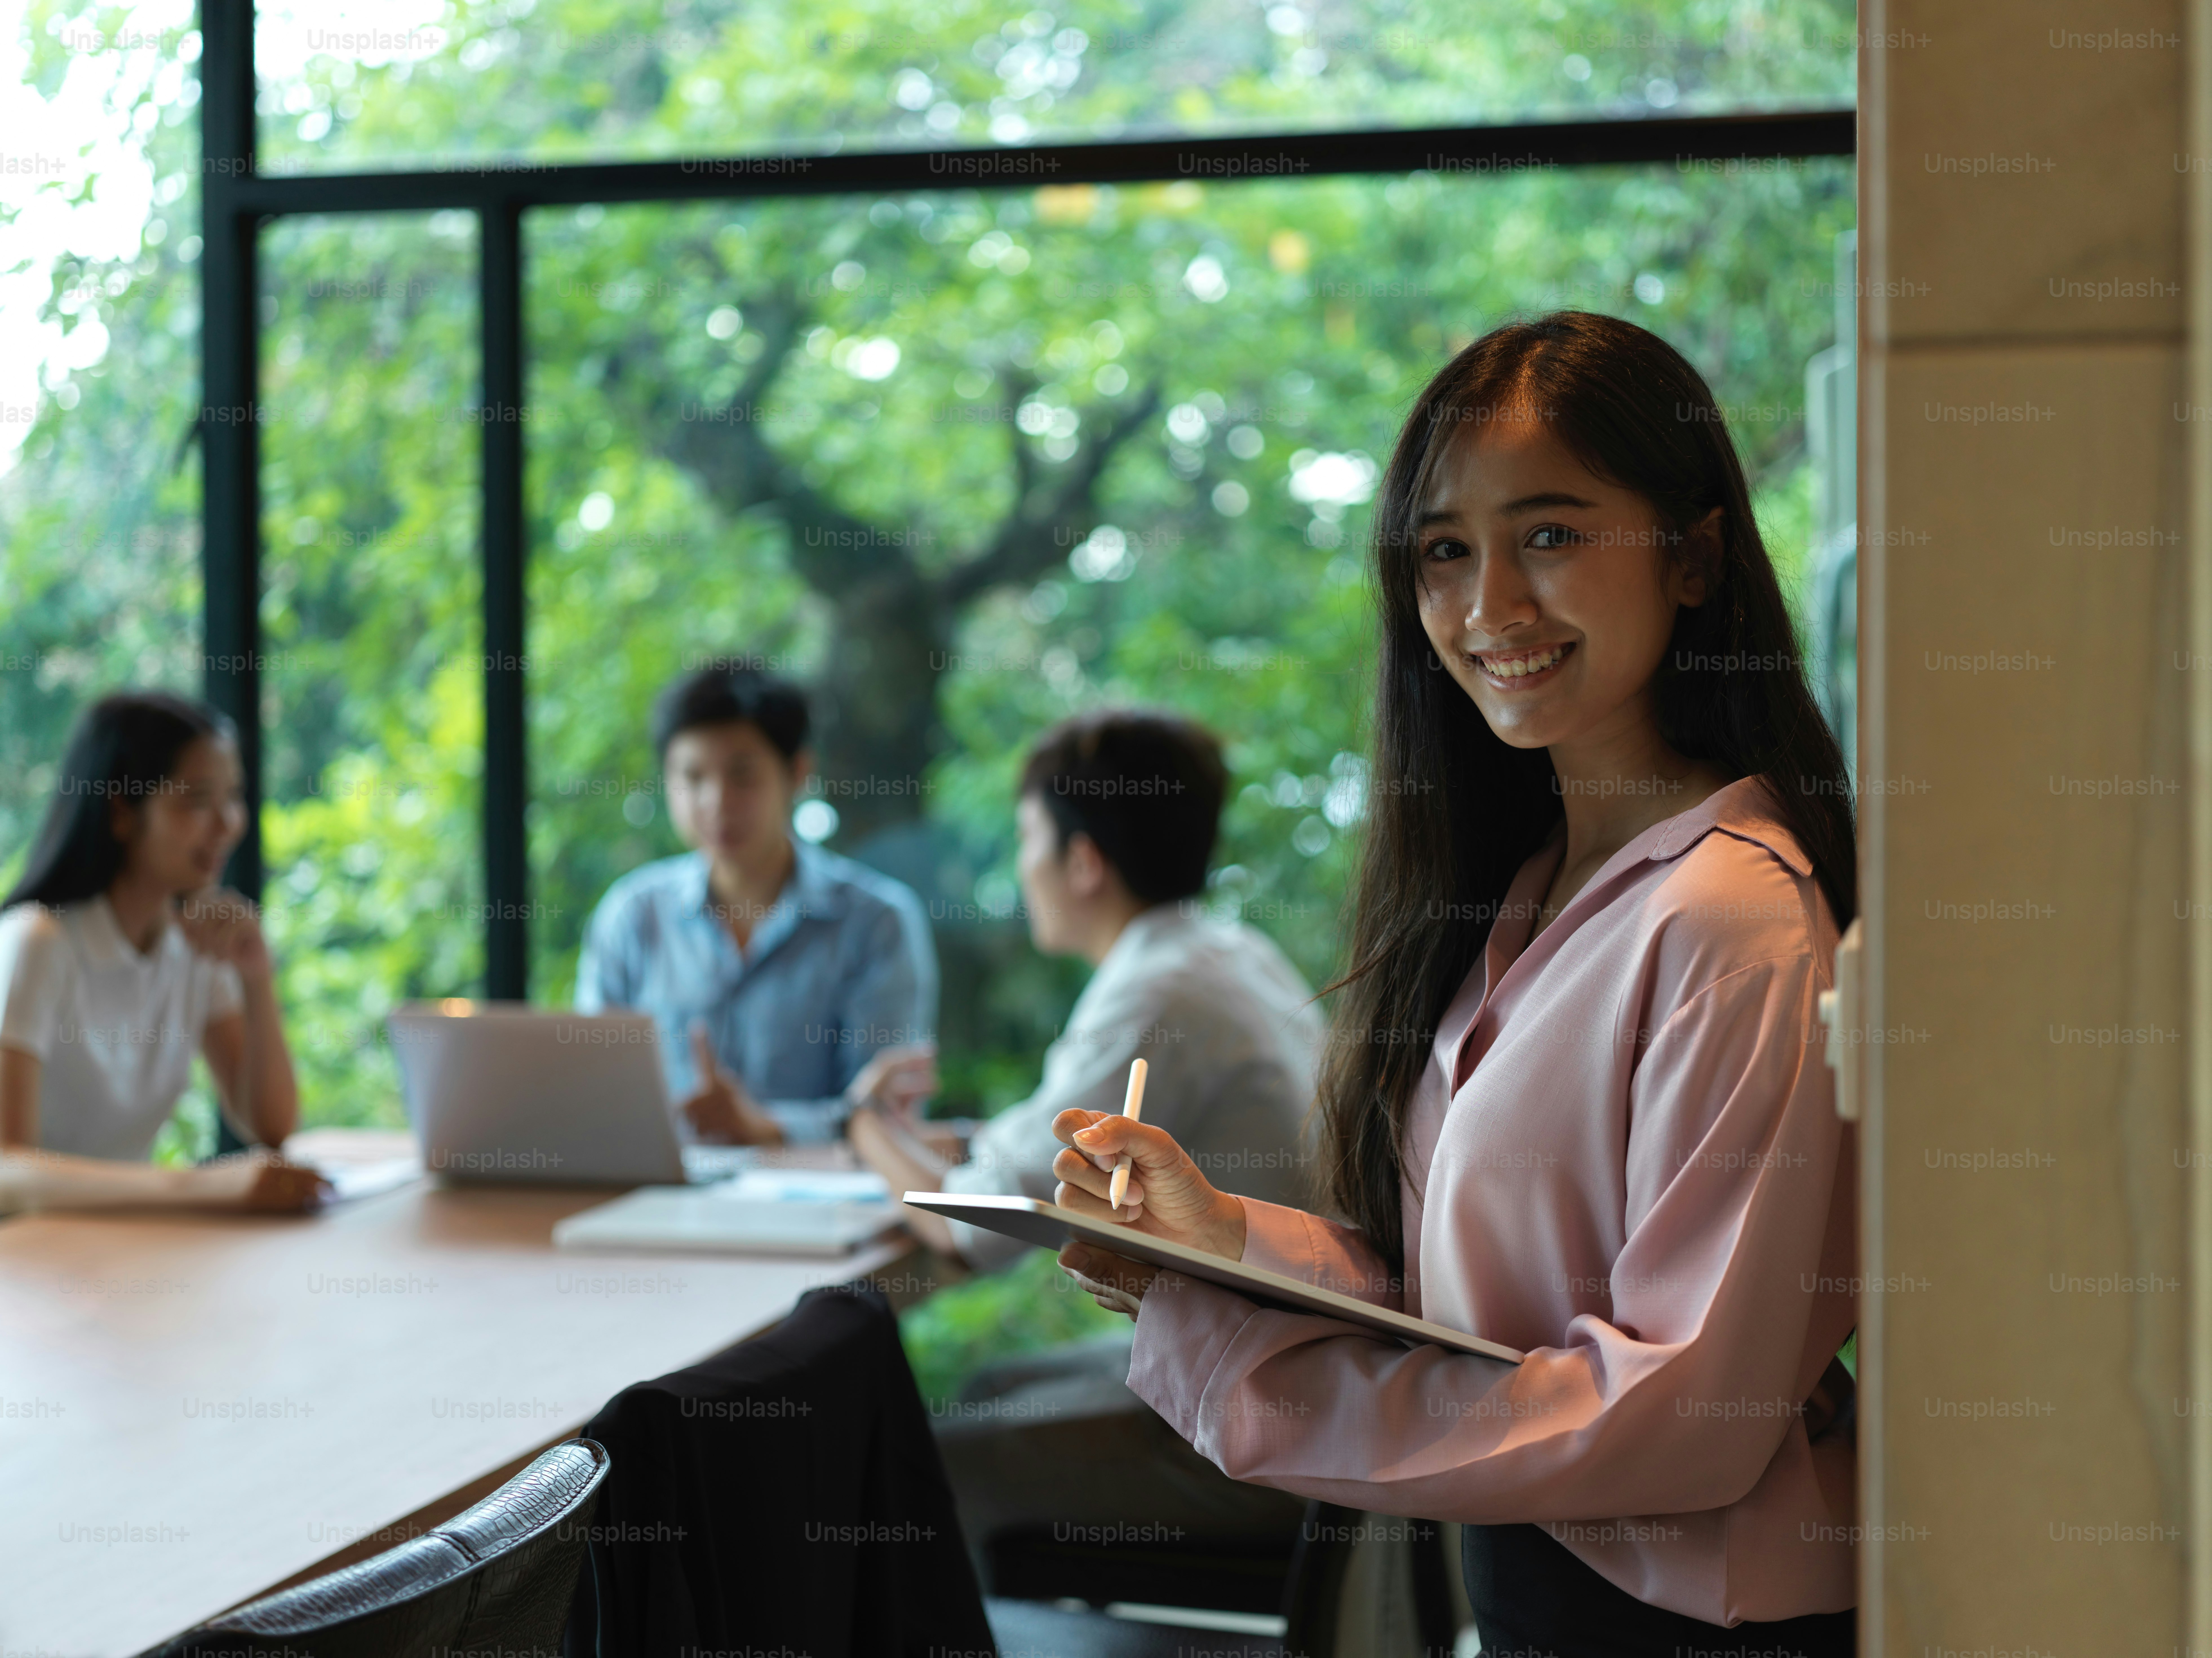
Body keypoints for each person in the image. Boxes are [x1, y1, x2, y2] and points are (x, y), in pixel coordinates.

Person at [1052, 312, 1861, 1657]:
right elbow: (1486, 1302)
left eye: (1548, 533)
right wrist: (1223, 1246)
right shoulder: (1530, 884)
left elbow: (1676, 1416)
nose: (1488, 607)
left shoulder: (1730, 913)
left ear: (1693, 556)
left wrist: (1243, 1369)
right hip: (1550, 1594)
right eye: (1443, 551)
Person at [849, 707, 1323, 1581]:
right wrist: (947, 1142)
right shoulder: (1227, 951)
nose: (1020, 867)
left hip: (1266, 1421)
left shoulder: (1155, 991)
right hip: (1295, 1367)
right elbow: (1037, 1137)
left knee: (927, 1463)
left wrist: (868, 1127)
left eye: (1029, 838)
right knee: (989, 1391)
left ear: (1083, 860)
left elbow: (973, 1229)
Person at [575, 663, 937, 1146]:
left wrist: (766, 1128)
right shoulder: (633, 915)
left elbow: (888, 1113)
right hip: (657, 1197)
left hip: (822, 1209)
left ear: (797, 774)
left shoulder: (876, 922)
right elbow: (589, 1092)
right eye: (693, 777)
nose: (717, 802)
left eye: (742, 776)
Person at [0, 690, 321, 1208]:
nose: (228, 823)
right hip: (25, 1263)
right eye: (198, 801)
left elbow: (270, 1126)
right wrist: (194, 1188)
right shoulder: (39, 941)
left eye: (233, 797)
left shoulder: (193, 941)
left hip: (117, 1253)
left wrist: (256, 977)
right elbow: (6, 1170)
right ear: (122, 812)